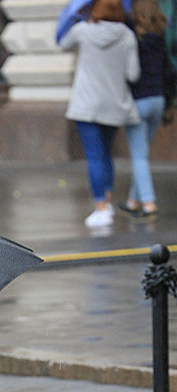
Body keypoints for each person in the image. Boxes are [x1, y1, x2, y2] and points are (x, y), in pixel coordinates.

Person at [59, 0, 140, 228]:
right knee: (105, 155)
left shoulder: (82, 31)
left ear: (94, 10)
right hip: (115, 103)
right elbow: (133, 74)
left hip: (87, 105)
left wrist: (72, 16)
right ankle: (108, 201)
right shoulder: (127, 35)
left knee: (94, 156)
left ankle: (101, 208)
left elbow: (63, 44)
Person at [120, 0, 169, 219]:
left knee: (139, 156)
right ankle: (134, 201)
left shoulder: (131, 36)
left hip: (139, 100)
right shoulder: (159, 37)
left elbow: (129, 73)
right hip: (158, 99)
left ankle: (149, 204)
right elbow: (168, 71)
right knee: (142, 154)